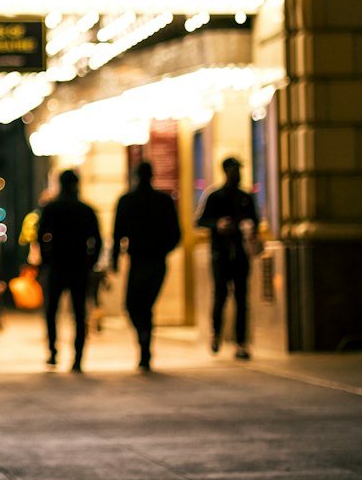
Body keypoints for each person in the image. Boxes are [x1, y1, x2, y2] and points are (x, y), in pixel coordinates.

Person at [111, 161, 181, 371]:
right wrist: (162, 249)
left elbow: (117, 234)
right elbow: (176, 234)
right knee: (145, 306)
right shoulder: (163, 201)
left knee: (134, 305)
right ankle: (145, 344)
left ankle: (144, 341)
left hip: (140, 259)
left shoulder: (127, 200)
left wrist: (115, 259)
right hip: (156, 261)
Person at [195, 156, 260, 360]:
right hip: (221, 254)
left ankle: (241, 341)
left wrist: (250, 228)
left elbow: (255, 220)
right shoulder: (215, 196)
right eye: (234, 170)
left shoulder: (245, 197)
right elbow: (200, 221)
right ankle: (216, 333)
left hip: (241, 254)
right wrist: (218, 224)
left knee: (242, 298)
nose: (238, 174)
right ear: (226, 171)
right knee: (220, 295)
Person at [37, 169, 102, 372]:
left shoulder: (51, 208)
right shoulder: (86, 209)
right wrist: (90, 262)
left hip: (57, 265)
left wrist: (47, 259)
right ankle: (78, 357)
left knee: (51, 311)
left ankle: (53, 352)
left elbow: (40, 237)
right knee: (79, 313)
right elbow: (97, 240)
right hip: (79, 266)